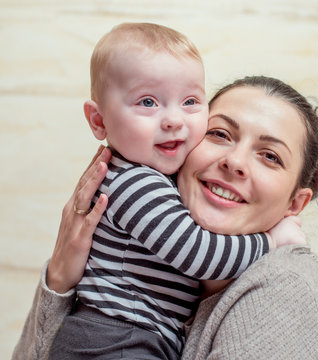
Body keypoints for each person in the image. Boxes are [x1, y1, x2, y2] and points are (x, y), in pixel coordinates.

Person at [12, 76, 318, 360]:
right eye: (219, 134)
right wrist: (59, 280)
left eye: (270, 156)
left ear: (295, 204)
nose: (235, 161)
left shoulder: (282, 292)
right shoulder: (155, 257)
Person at [48, 24, 299, 360]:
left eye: (190, 101)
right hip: (116, 338)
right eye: (148, 102)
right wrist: (271, 241)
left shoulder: (159, 179)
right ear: (99, 121)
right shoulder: (134, 184)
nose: (173, 120)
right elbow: (200, 255)